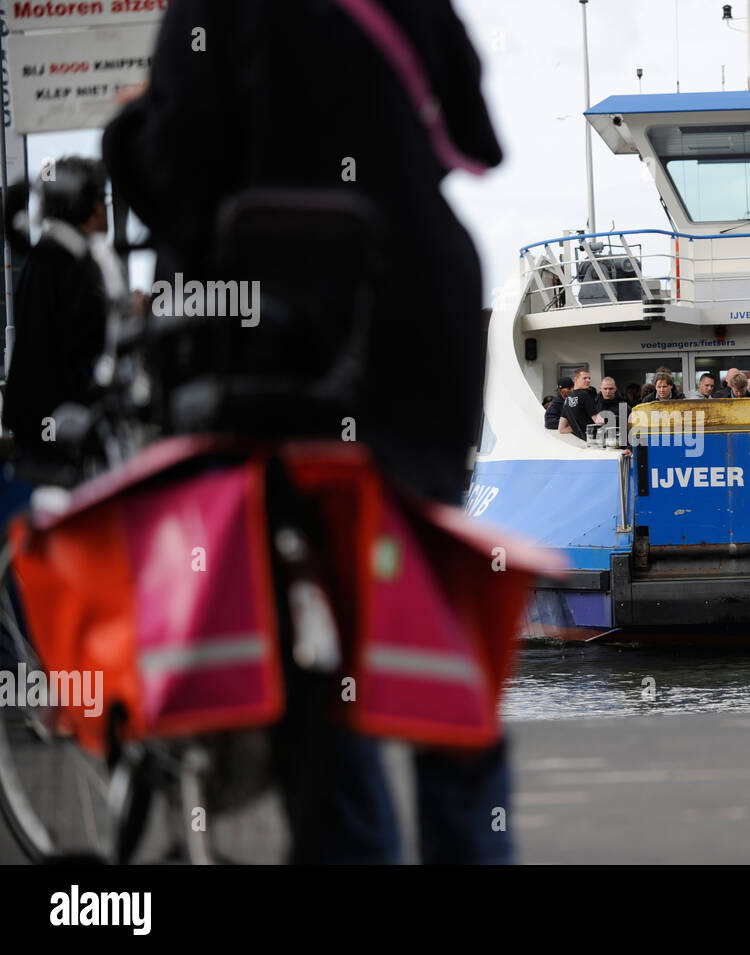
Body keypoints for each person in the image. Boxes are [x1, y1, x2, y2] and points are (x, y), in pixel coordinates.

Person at [101, 0, 508, 865]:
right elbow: (476, 133)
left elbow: (182, 183)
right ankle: (471, 838)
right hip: (422, 315)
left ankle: (354, 839)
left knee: (311, 629)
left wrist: (134, 121)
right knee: (421, 600)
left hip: (292, 334)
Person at [4, 157, 115, 457]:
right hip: (60, 422)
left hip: (34, 418)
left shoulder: (45, 254)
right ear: (91, 208)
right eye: (103, 200)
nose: (107, 210)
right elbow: (87, 340)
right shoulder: (72, 263)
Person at [559, 368, 604, 435]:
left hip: (580, 441)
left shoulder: (567, 399)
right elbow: (599, 421)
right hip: (592, 440)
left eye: (589, 378)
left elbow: (562, 429)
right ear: (576, 379)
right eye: (584, 378)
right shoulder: (585, 395)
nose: (588, 380)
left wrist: (577, 428)